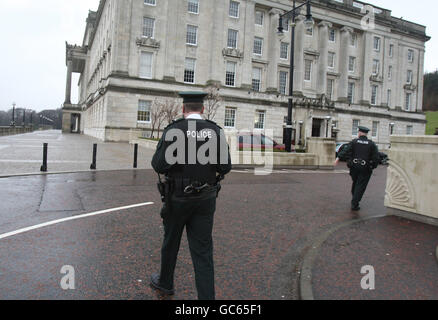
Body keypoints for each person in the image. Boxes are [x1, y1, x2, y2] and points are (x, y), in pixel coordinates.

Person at [150, 91, 232, 300]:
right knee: (203, 251)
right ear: (203, 109)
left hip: (177, 197)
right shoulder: (214, 131)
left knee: (170, 243)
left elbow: (158, 165)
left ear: (183, 109)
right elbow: (225, 166)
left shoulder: (173, 130)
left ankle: (165, 283)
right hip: (205, 198)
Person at [334, 126, 380, 211]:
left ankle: (354, 198)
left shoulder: (354, 142)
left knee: (355, 183)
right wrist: (373, 166)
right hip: (365, 168)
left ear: (359, 133)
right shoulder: (371, 144)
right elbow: (376, 158)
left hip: (354, 167)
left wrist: (338, 158)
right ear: (366, 134)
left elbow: (346, 150)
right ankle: (355, 203)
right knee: (360, 185)